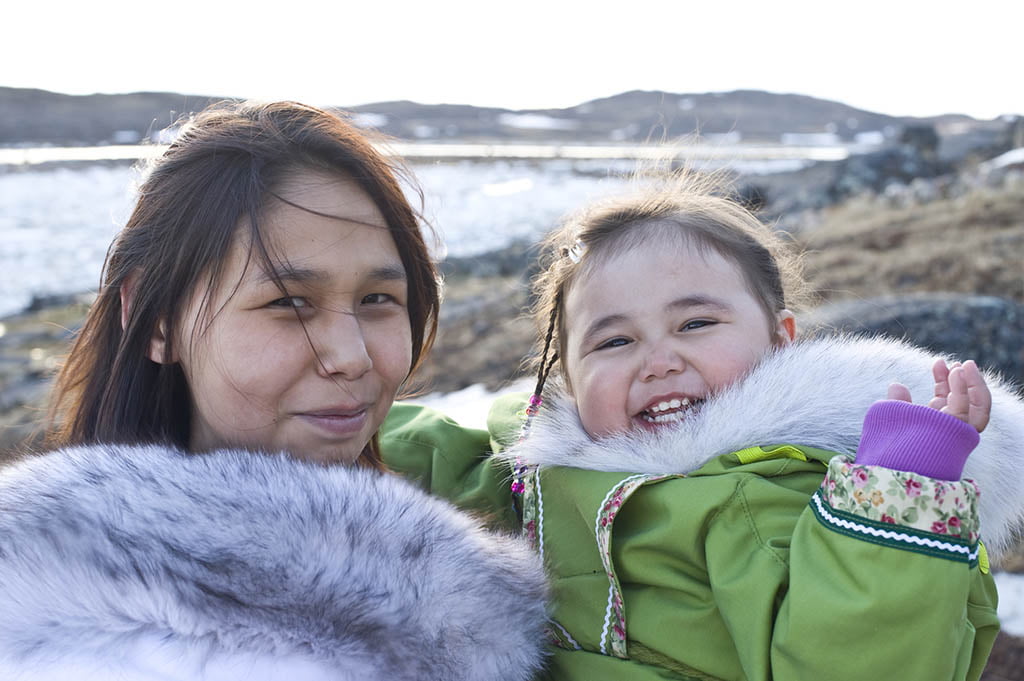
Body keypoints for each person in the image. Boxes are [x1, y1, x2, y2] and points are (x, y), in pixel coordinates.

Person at [0, 100, 547, 680]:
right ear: (158, 318)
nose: (352, 356)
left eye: (378, 300)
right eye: (288, 303)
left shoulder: (509, 492)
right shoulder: (58, 632)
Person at [490, 171, 1024, 681]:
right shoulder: (520, 468)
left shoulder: (786, 494)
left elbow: (862, 663)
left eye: (695, 324)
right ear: (567, 377)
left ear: (779, 339)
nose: (658, 361)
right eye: (614, 341)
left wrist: (895, 505)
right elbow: (423, 456)